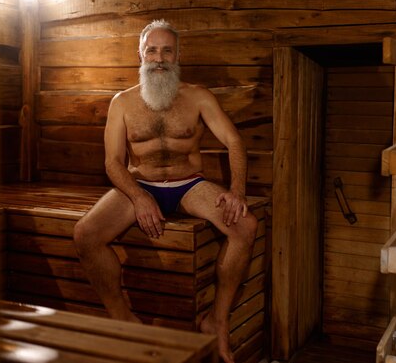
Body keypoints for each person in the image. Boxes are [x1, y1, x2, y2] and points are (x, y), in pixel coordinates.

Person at [73, 19, 258, 363]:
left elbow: (234, 140)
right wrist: (139, 197)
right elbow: (113, 162)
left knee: (245, 227)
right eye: (152, 50)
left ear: (177, 55)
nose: (159, 58)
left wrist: (237, 191)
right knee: (85, 234)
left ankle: (216, 321)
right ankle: (123, 320)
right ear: (140, 55)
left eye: (166, 50)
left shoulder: (197, 96)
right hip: (139, 184)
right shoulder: (123, 102)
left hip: (188, 185)